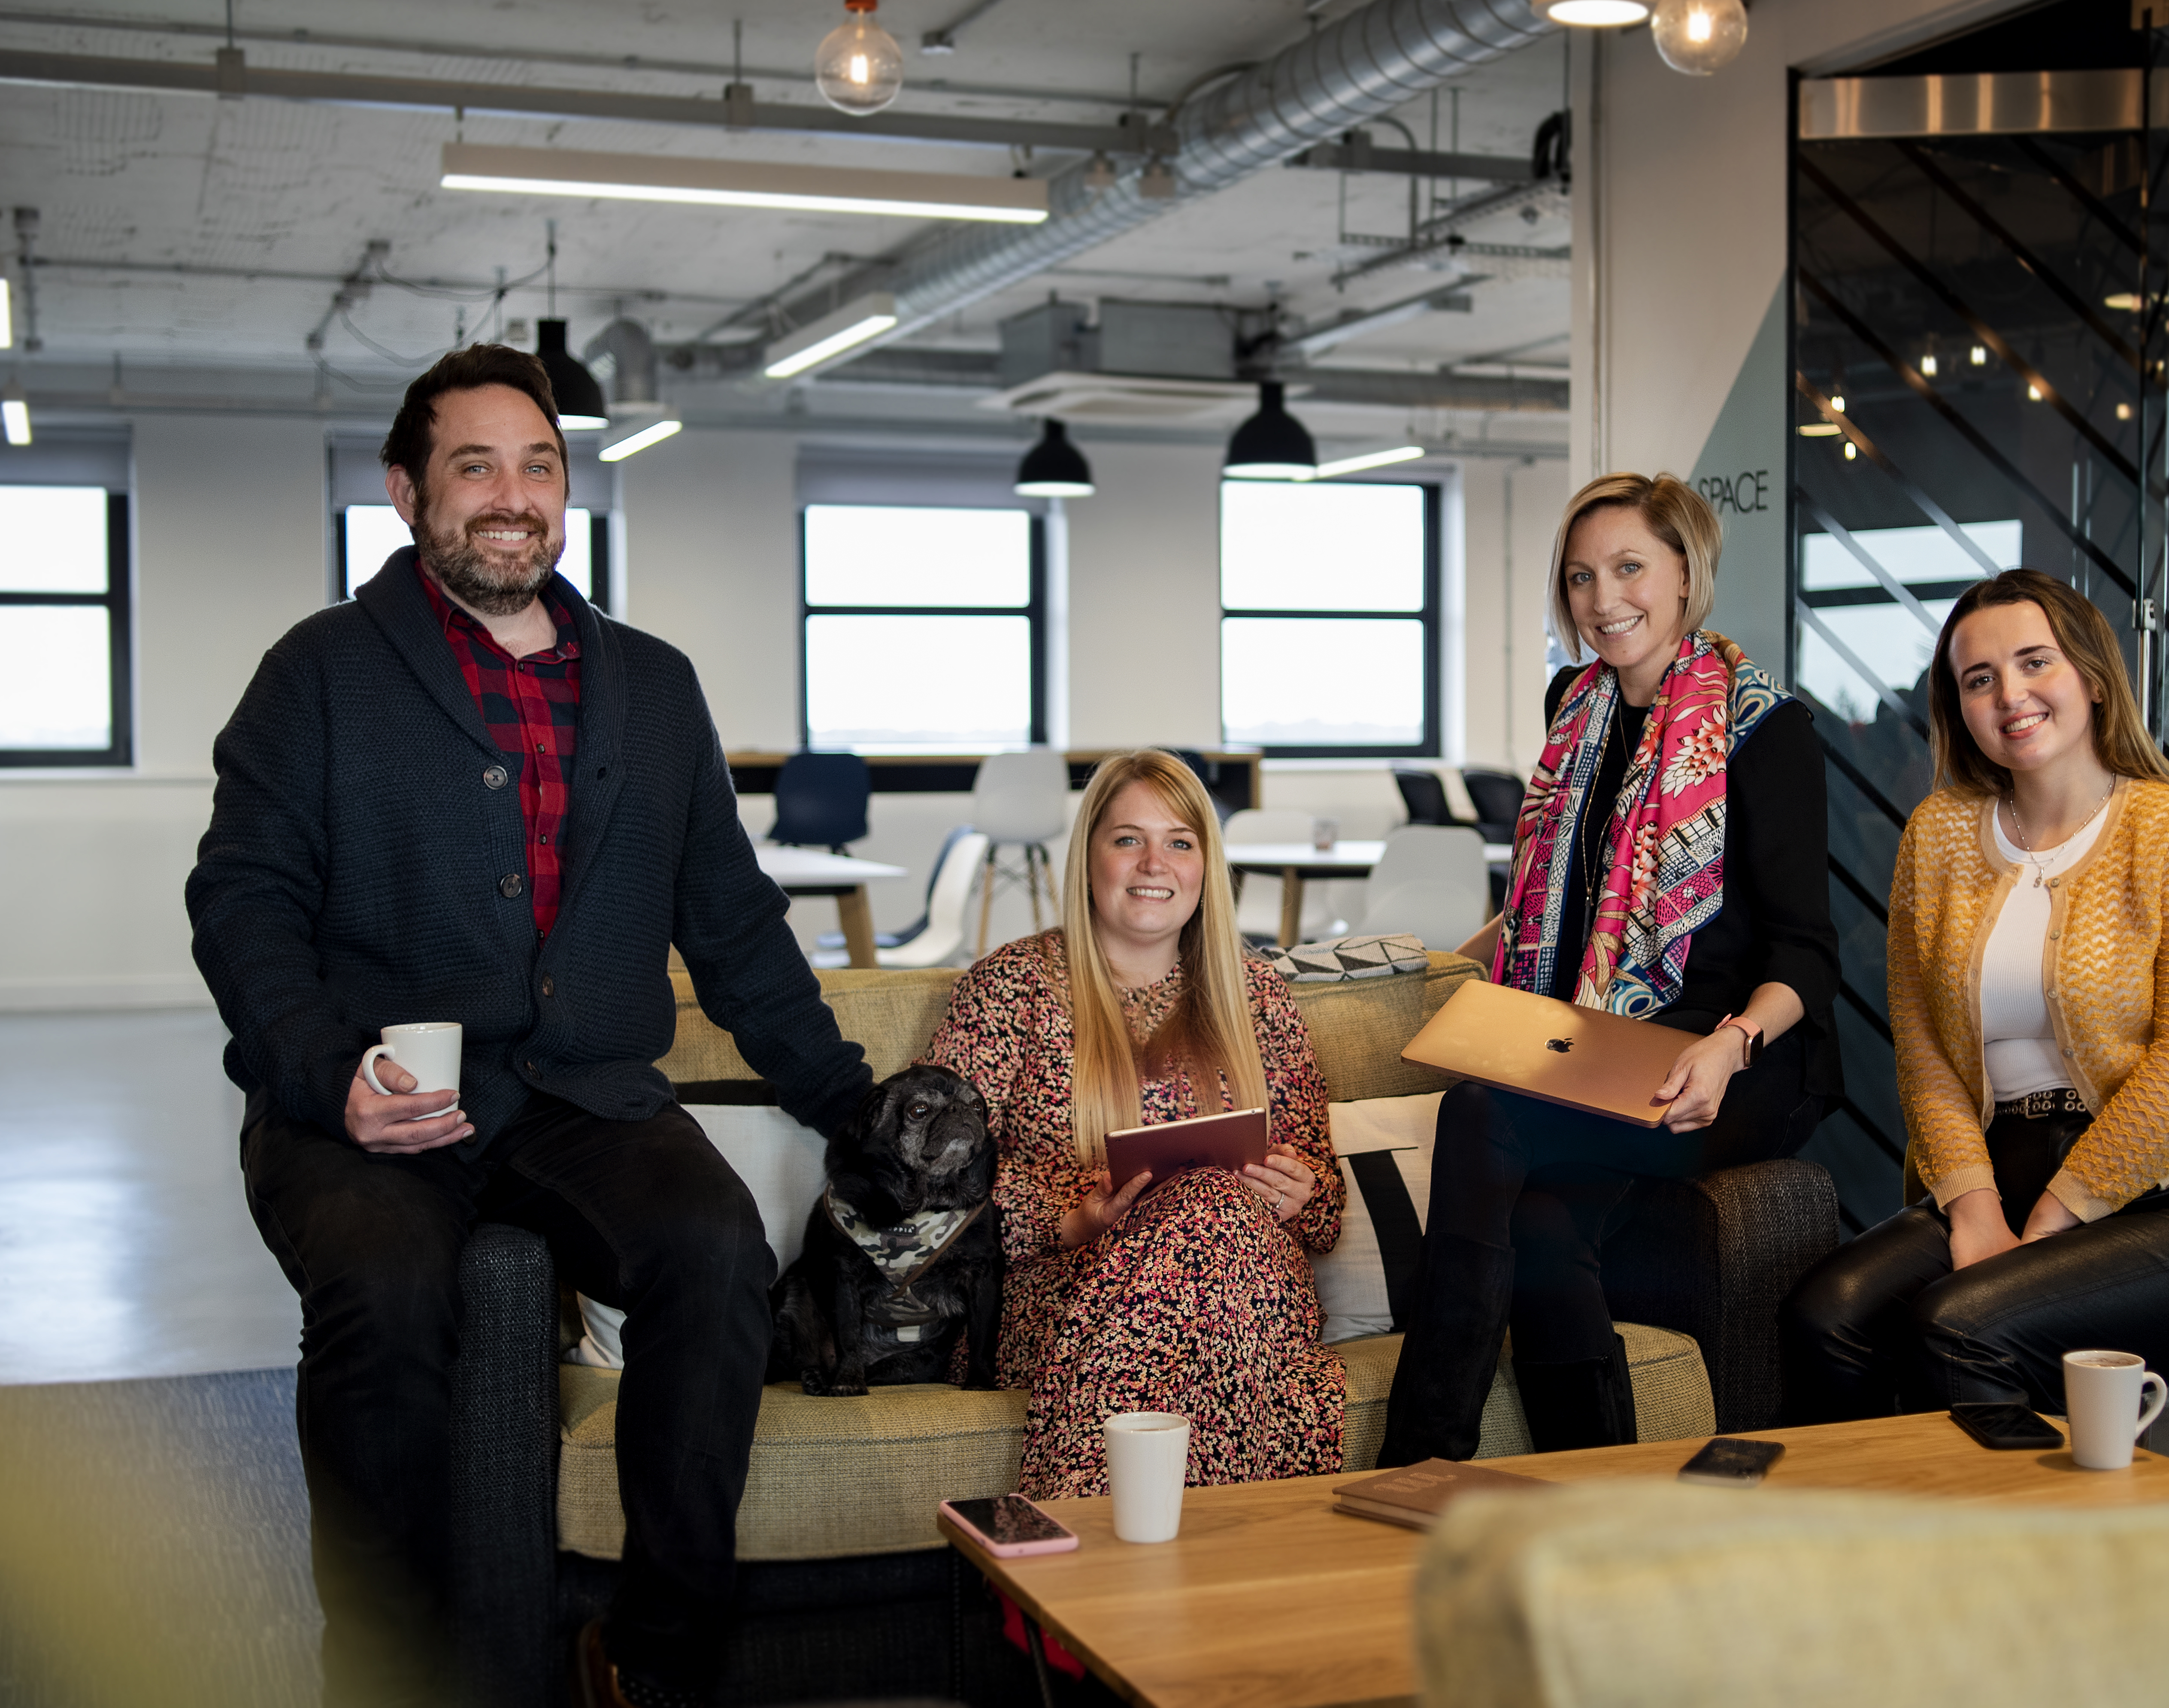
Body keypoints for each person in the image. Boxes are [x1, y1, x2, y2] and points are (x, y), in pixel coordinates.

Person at [187, 345, 872, 1708]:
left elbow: (731, 926)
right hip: (375, 1104)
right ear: (407, 491)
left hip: (582, 1097)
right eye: (475, 464)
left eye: (540, 464)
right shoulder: (317, 674)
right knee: (384, 1299)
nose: (513, 494)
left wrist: (852, 1104)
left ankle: (653, 1657)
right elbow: (243, 899)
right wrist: (331, 1076)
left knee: (715, 1254)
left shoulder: (651, 687)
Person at [1378, 472, 1842, 1466]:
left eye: (1629, 567)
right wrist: (1439, 961)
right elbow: (1562, 900)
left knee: (1481, 1110)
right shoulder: (1575, 704)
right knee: (1542, 1230)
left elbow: (1806, 951)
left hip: (1742, 1055)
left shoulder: (1765, 728)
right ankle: (1600, 1493)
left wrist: (1727, 1048)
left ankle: (1423, 1457)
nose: (1603, 598)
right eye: (1581, 576)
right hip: (1604, 1048)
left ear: (1684, 573)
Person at [1781, 569, 2169, 1422]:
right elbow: (1924, 1052)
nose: (2008, 695)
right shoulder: (1936, 835)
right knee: (1824, 1318)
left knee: (1960, 1327)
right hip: (2002, 1179)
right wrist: (1978, 1215)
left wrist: (2054, 1217)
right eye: (1977, 679)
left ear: (2091, 677)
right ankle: (1881, 1541)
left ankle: (2024, 1554)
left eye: (2033, 663)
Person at [924, 751, 1345, 1496]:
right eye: (1128, 839)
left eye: (1181, 842)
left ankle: (1075, 1554)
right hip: (1066, 1292)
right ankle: (1236, 1561)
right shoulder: (1009, 988)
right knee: (1209, 1214)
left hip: (1249, 1289)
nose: (1156, 862)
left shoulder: (1257, 996)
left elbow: (1324, 1202)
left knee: (1212, 1209)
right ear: (1088, 856)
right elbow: (934, 1175)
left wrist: (1301, 1194)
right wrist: (1068, 1220)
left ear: (1206, 867)